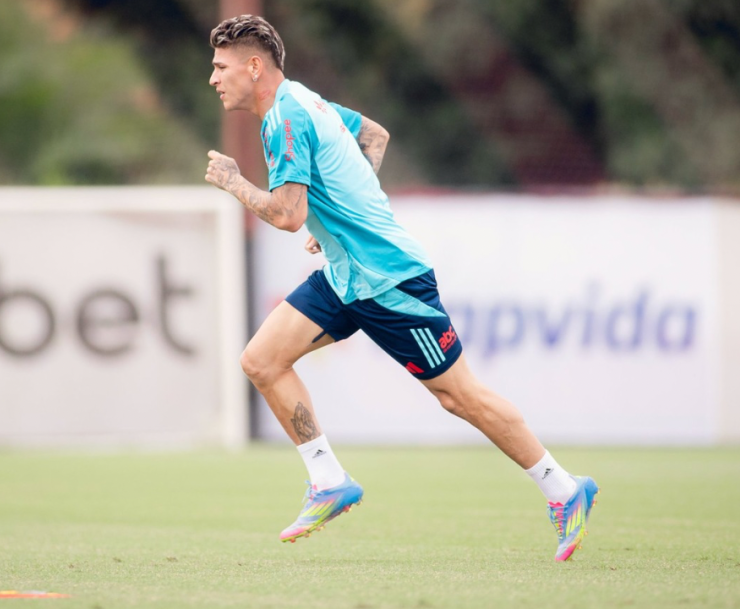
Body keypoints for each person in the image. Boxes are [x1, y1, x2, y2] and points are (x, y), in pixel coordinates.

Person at [204, 14, 598, 561]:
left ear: (254, 66)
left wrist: (233, 182)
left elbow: (289, 216)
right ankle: (328, 481)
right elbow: (372, 136)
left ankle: (564, 488)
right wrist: (344, 212)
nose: (213, 78)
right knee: (262, 360)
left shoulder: (285, 118)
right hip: (348, 277)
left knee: (458, 397)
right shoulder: (305, 100)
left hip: (389, 280)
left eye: (221, 66)